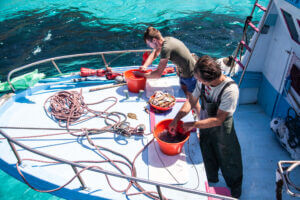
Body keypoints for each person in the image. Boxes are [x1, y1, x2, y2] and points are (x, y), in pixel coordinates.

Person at [169, 55, 243, 198]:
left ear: (210, 80)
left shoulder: (230, 90)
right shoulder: (202, 82)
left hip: (222, 127)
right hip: (205, 121)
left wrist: (194, 124)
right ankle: (211, 178)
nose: (197, 81)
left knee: (228, 157)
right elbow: (191, 101)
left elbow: (219, 119)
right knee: (206, 150)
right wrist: (176, 119)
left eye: (199, 79)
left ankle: (235, 186)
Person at [135, 26, 200, 114]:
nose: (149, 46)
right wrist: (145, 66)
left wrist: (140, 74)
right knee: (185, 94)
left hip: (191, 76)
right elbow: (155, 52)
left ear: (154, 40)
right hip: (182, 73)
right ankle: (191, 111)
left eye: (148, 43)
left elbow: (158, 74)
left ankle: (201, 121)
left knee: (193, 102)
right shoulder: (166, 40)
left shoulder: (166, 48)